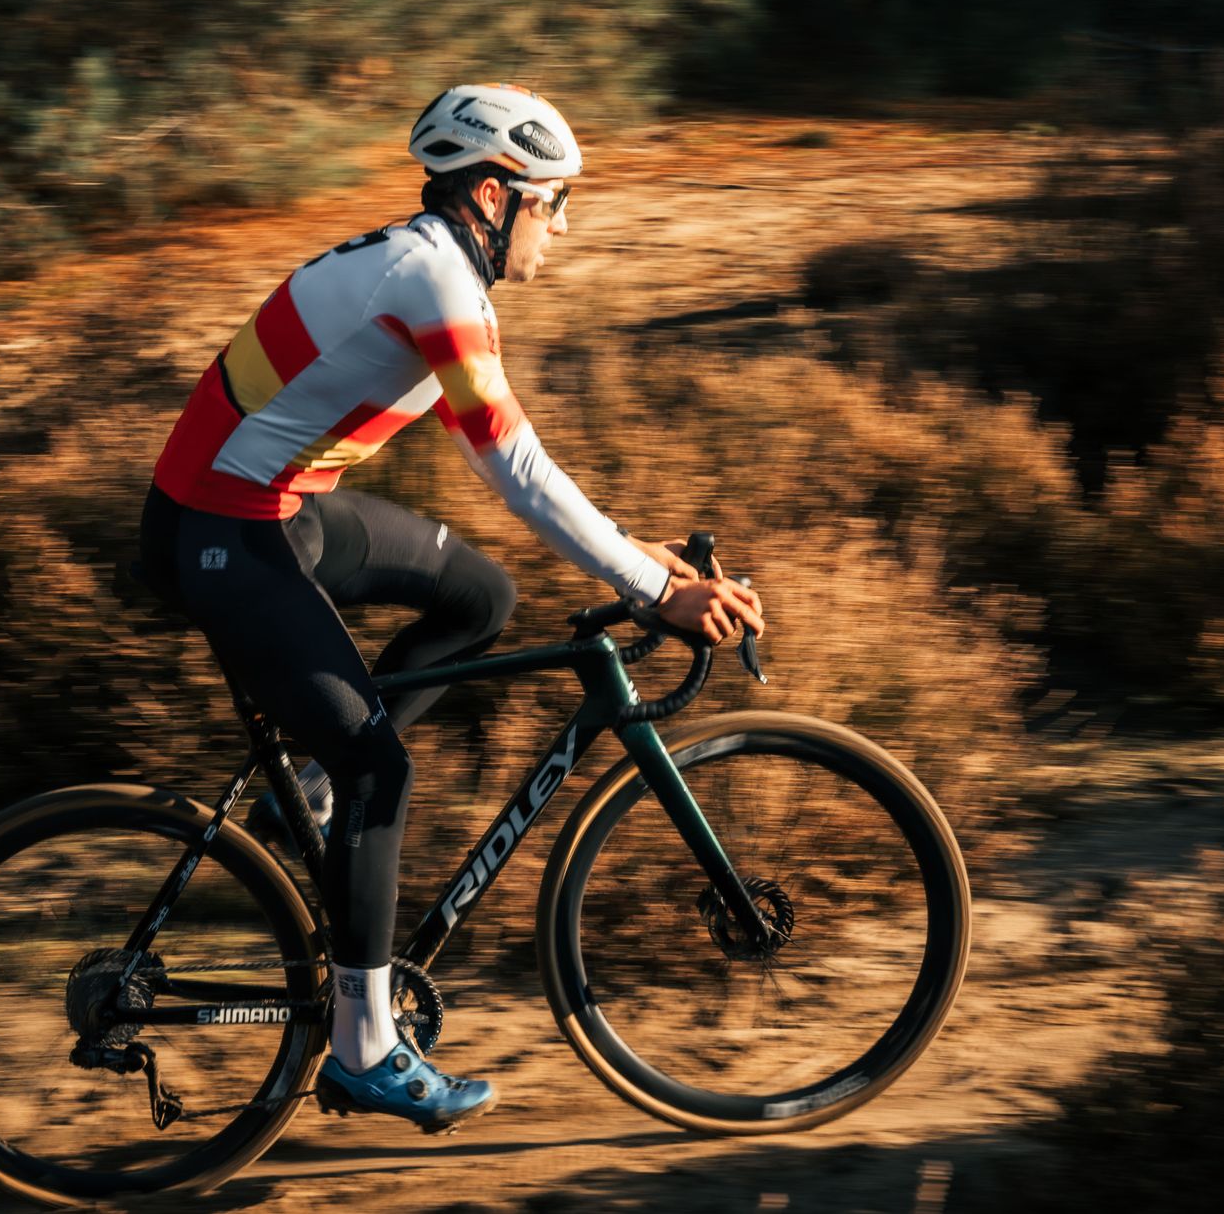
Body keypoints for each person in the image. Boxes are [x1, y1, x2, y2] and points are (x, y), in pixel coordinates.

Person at [139, 82, 765, 1132]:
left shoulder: (433, 265)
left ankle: (308, 789)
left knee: (482, 596)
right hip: (219, 528)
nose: (561, 226)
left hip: (281, 508)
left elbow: (517, 461)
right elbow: (512, 465)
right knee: (380, 768)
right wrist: (654, 590)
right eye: (552, 203)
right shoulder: (432, 279)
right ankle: (363, 1048)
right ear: (491, 195)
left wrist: (632, 551)